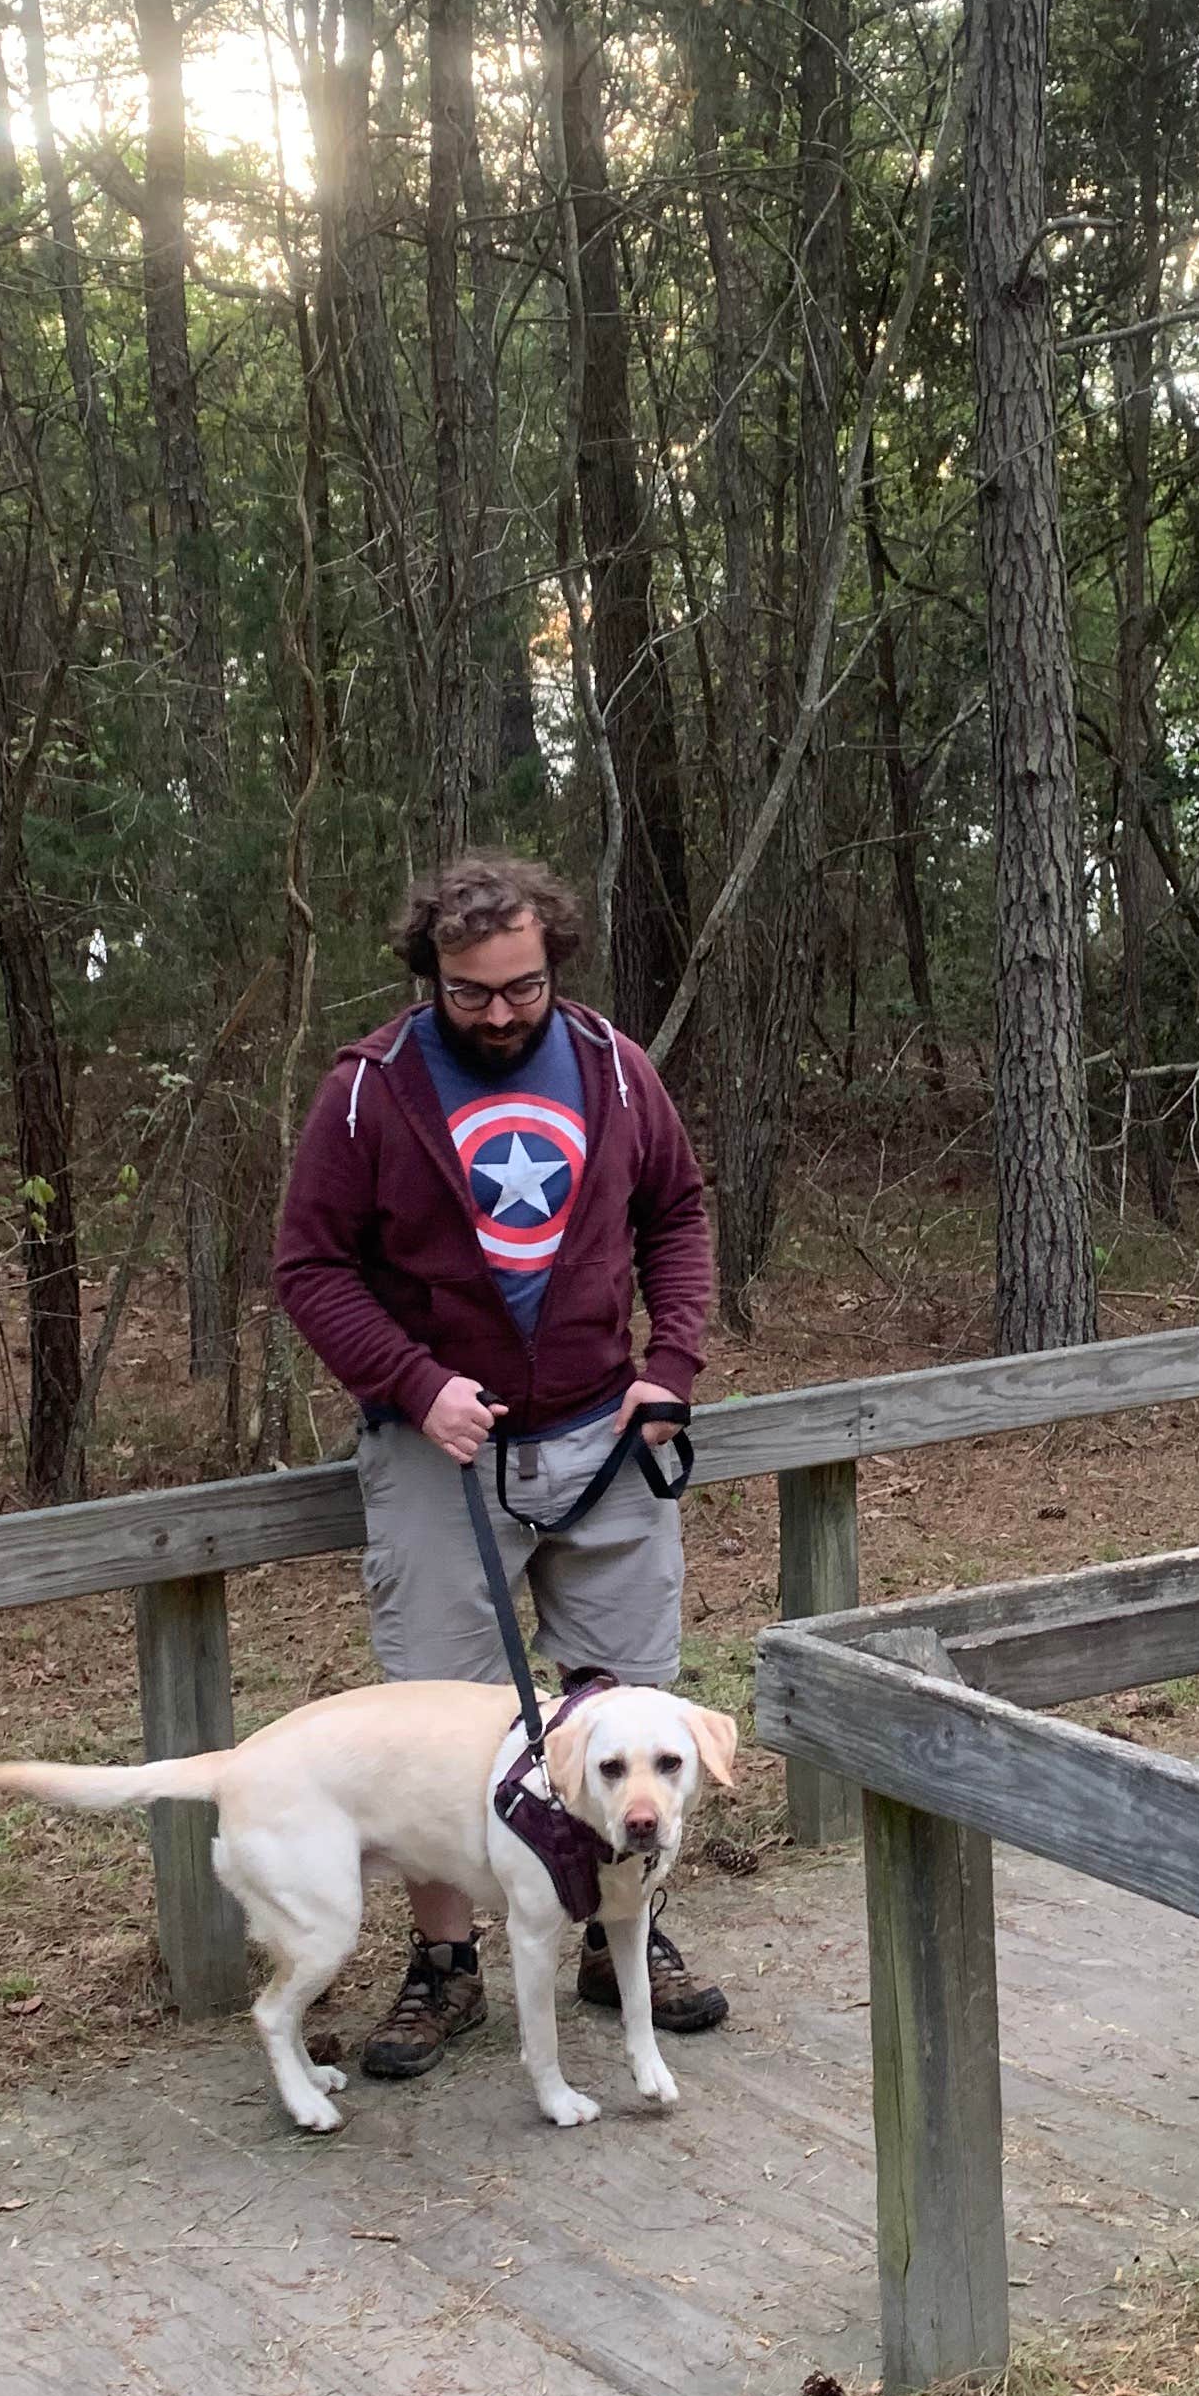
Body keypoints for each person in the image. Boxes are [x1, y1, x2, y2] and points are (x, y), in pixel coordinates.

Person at [273, 851, 732, 2081]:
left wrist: (669, 1366)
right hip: (440, 1453)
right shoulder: (369, 1094)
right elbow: (309, 1269)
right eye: (470, 992)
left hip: (603, 1436)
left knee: (629, 1695)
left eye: (519, 988)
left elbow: (678, 1216)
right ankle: (447, 1966)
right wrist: (416, 1384)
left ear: (552, 965)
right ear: (430, 973)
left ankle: (622, 1933)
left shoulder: (614, 1071)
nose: (498, 1013)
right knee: (438, 1720)